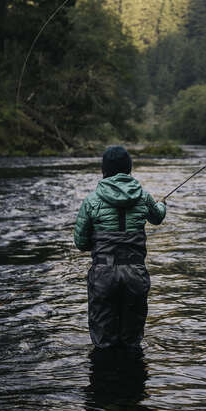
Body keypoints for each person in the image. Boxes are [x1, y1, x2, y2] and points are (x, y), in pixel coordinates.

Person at [74, 146, 166, 349]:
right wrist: (162, 205)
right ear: (129, 169)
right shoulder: (143, 196)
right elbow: (157, 217)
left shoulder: (91, 200)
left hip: (103, 274)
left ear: (104, 170)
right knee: (132, 342)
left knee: (103, 342)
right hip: (135, 273)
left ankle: (104, 378)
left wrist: (98, 244)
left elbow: (81, 243)